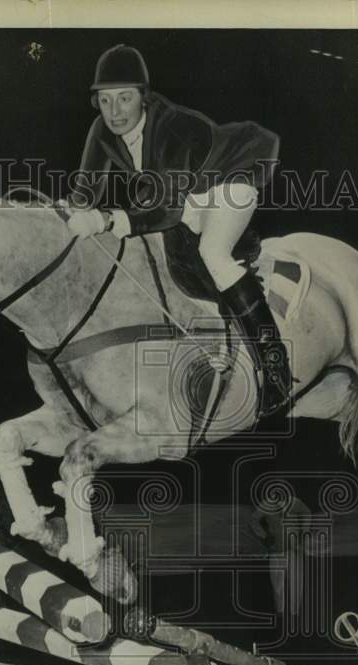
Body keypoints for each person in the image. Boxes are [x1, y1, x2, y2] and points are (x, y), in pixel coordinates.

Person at [65, 43, 292, 417]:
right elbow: (85, 191)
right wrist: (67, 214)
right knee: (170, 265)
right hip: (185, 196)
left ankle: (275, 366)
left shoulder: (174, 126)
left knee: (213, 254)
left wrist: (107, 220)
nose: (115, 111)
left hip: (228, 181)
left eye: (124, 99)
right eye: (105, 101)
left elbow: (169, 208)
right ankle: (219, 338)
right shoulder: (102, 130)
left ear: (144, 97)